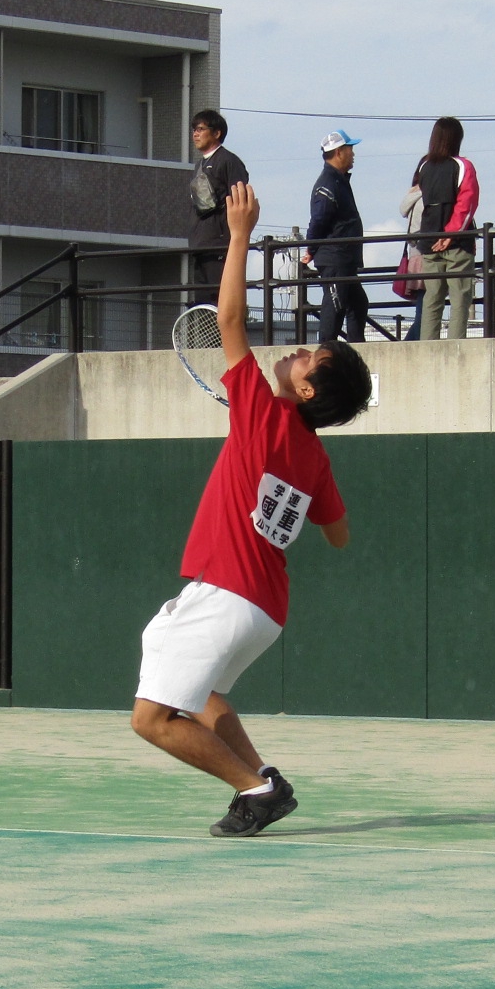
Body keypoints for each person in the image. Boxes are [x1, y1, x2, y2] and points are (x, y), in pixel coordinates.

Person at [130, 181, 372, 838]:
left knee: (151, 719)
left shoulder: (264, 415)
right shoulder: (311, 457)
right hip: (265, 608)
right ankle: (268, 777)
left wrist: (238, 233)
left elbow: (229, 322)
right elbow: (341, 536)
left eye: (305, 355)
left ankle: (256, 788)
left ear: (307, 386)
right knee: (199, 693)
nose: (293, 351)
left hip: (229, 595)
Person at [412, 116, 479, 339]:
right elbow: (467, 204)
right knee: (460, 296)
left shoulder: (424, 165)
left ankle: (427, 345)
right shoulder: (462, 166)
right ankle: (455, 344)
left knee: (433, 297)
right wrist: (451, 233)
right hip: (458, 241)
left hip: (429, 238)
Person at [305, 129, 369, 344]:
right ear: (339, 152)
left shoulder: (337, 180)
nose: (353, 154)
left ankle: (355, 351)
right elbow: (319, 219)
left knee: (357, 303)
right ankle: (325, 355)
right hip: (335, 257)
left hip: (344, 257)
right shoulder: (328, 183)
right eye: (350, 149)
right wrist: (311, 248)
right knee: (335, 306)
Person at [186, 109, 248, 303]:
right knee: (204, 304)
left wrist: (233, 237)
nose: (195, 133)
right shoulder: (200, 165)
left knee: (221, 302)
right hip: (200, 244)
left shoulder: (229, 161)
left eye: (200, 129)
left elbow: (240, 199)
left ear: (217, 133)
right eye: (193, 129)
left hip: (219, 244)